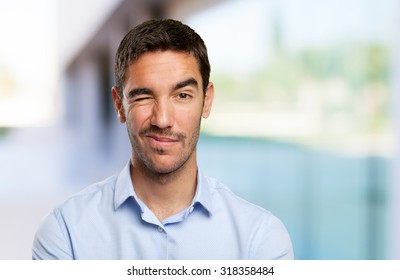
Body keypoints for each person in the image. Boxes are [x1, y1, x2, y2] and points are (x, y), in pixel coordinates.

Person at [32, 19, 294, 260]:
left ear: (207, 100)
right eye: (143, 96)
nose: (163, 119)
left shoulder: (260, 239)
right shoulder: (65, 232)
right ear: (119, 105)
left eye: (182, 95)